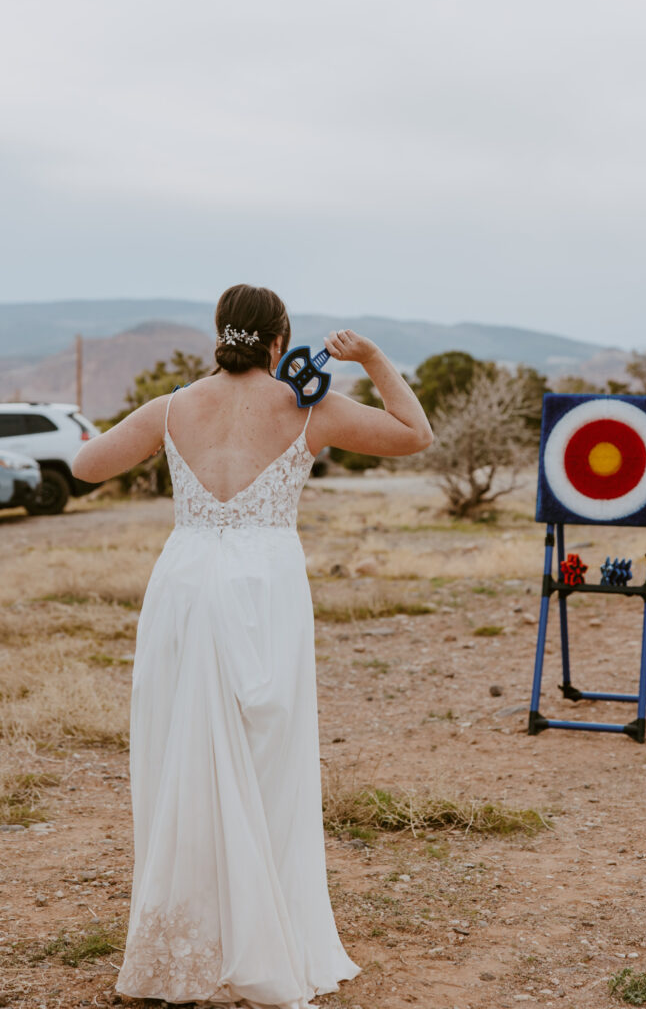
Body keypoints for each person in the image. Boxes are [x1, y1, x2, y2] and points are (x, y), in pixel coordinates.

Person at [71, 283, 433, 1008]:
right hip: (264, 587)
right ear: (279, 341)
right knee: (267, 756)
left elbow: (84, 467)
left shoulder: (170, 407)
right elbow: (413, 433)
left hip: (185, 581)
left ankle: (183, 941)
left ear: (219, 334)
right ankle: (261, 935)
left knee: (183, 752)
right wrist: (371, 356)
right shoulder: (310, 409)